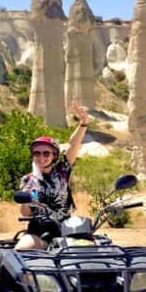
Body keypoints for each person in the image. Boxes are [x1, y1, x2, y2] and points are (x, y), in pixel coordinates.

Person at [15, 104, 90, 251]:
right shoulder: (28, 179)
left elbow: (73, 145)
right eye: (36, 153)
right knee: (23, 250)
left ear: (54, 155)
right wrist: (27, 198)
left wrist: (84, 123)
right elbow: (26, 213)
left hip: (68, 228)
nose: (41, 157)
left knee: (88, 254)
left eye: (46, 153)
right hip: (39, 229)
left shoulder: (62, 171)